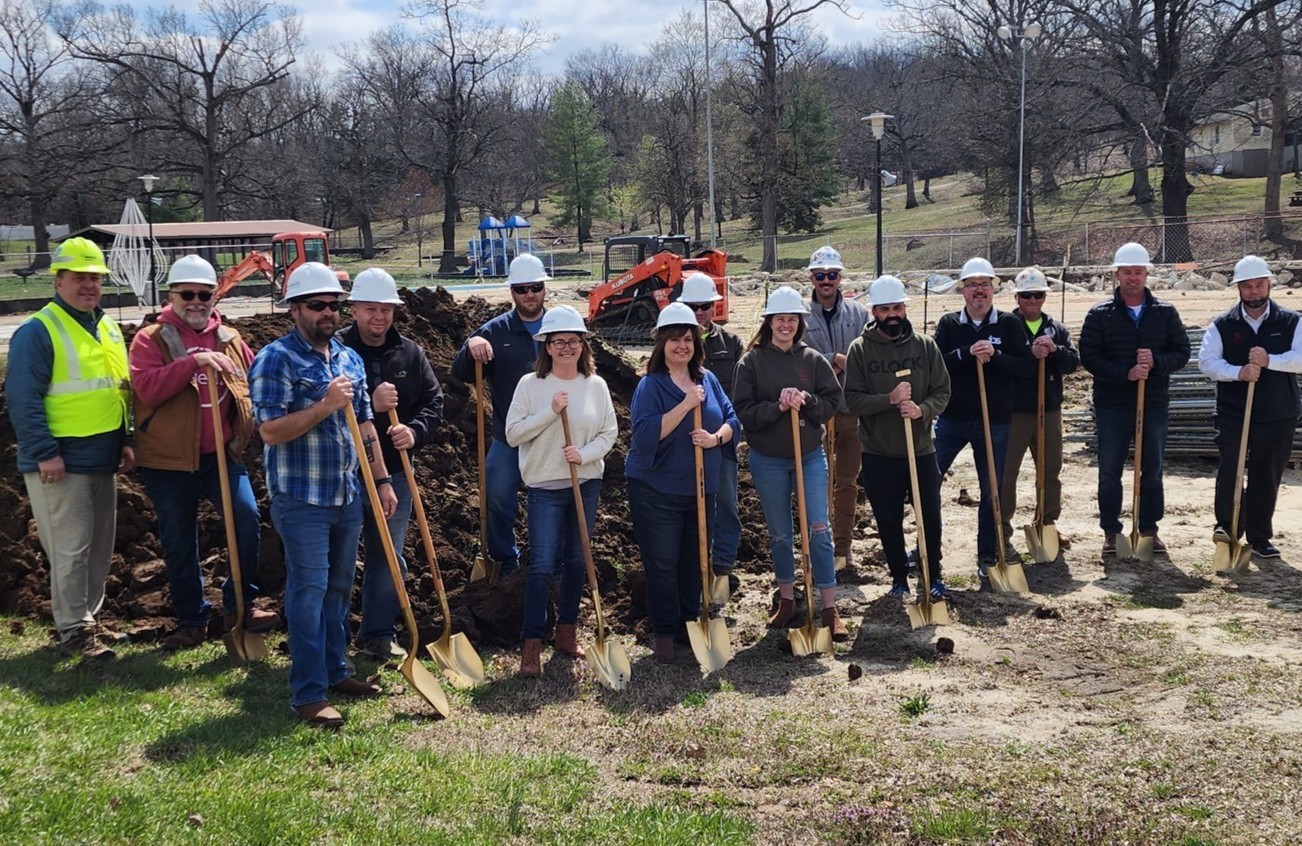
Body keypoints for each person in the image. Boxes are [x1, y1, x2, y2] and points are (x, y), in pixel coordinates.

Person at [249, 262, 398, 729]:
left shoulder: (347, 358)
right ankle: (308, 692)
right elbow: (270, 431)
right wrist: (325, 404)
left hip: (346, 493)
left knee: (337, 589)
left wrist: (381, 479)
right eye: (317, 305)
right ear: (295, 308)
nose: (327, 313)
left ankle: (337, 672)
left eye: (334, 305)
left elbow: (366, 426)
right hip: (301, 498)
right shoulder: (275, 359)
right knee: (308, 591)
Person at [130, 255, 278, 651]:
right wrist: (193, 362)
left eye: (205, 294)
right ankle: (192, 618)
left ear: (215, 296)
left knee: (246, 518)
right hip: (168, 460)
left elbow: (257, 380)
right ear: (172, 295)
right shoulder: (152, 339)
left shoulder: (229, 338)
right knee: (179, 539)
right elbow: (147, 389)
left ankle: (240, 604)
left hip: (221, 455)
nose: (196, 301)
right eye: (188, 294)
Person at [6, 237, 133, 660]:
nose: (89, 286)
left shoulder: (107, 326)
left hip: (103, 456)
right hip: (61, 460)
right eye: (79, 277)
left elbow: (119, 390)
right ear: (58, 280)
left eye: (95, 278)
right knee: (70, 548)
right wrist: (44, 452)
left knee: (98, 546)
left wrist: (126, 440)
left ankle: (88, 619)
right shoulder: (38, 331)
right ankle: (73, 630)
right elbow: (22, 398)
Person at [504, 305, 617, 677]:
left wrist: (582, 454)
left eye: (573, 340)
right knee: (541, 565)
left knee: (575, 560)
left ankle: (566, 633)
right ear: (546, 346)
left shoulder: (596, 386)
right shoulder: (530, 386)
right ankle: (531, 644)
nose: (566, 347)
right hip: (544, 486)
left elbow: (609, 433)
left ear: (583, 344)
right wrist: (550, 412)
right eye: (558, 342)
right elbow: (513, 433)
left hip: (585, 484)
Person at [625, 303, 740, 662]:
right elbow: (644, 435)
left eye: (688, 339)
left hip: (702, 490)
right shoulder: (650, 385)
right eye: (674, 339)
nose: (682, 346)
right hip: (656, 490)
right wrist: (685, 405)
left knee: (695, 562)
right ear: (662, 344)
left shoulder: (708, 379)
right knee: (662, 563)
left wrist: (715, 438)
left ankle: (690, 626)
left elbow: (733, 419)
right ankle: (663, 634)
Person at [733, 286, 848, 641]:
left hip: (809, 456)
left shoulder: (812, 360)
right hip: (768, 459)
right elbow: (744, 414)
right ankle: (787, 600)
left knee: (818, 529)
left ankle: (829, 606)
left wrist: (808, 400)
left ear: (800, 323)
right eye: (780, 319)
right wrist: (778, 407)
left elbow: (832, 402)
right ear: (769, 322)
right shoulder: (750, 363)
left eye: (792, 319)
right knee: (781, 534)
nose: (786, 325)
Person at [340, 268, 444, 660]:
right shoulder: (336, 352)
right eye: (370, 309)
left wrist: (414, 432)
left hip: (396, 474)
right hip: (348, 475)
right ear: (354, 310)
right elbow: (325, 405)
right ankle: (334, 638)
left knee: (388, 554)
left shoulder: (410, 353)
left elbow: (434, 403)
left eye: (386, 309)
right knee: (342, 558)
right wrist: (370, 400)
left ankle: (378, 634)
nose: (379, 317)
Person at [844, 276, 953, 597]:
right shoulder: (860, 351)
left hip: (920, 450)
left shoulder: (925, 346)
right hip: (879, 453)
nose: (892, 314)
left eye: (897, 307)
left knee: (930, 516)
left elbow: (943, 390)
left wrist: (922, 410)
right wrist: (888, 400)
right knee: (888, 519)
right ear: (874, 312)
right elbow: (852, 400)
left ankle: (933, 575)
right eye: (884, 309)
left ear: (905, 308)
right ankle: (898, 579)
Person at [1079, 242, 1190, 555]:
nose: (1133, 277)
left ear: (1146, 274)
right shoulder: (1100, 314)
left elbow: (1182, 352)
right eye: (1127, 272)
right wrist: (1124, 373)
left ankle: (1148, 528)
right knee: (1109, 469)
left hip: (1153, 403)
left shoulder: (1165, 313)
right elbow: (1089, 357)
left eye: (1138, 272)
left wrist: (1156, 362)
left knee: (1152, 469)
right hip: (1112, 404)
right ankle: (1112, 531)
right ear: (1117, 275)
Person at [451, 253, 550, 578]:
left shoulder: (558, 327)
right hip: (509, 437)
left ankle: (549, 562)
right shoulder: (496, 330)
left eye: (535, 287)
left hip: (553, 437)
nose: (530, 294)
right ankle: (506, 561)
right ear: (512, 292)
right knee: (496, 495)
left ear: (544, 288)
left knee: (550, 503)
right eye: (522, 289)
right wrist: (472, 345)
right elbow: (461, 371)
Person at [933, 257, 1033, 577]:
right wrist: (965, 354)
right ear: (962, 290)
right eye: (973, 285)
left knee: (992, 489)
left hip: (995, 420)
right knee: (928, 479)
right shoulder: (949, 324)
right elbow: (936, 365)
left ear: (994, 290)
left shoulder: (1008, 324)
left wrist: (997, 355)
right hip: (952, 419)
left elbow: (1025, 367)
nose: (980, 291)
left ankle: (987, 554)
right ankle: (926, 550)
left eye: (985, 285)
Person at [1198, 255, 1302, 560]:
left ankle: (1259, 536)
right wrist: (1238, 372)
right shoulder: (1222, 325)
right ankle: (1227, 528)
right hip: (1233, 410)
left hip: (1278, 411)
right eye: (1248, 286)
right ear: (1238, 288)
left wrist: (1271, 360)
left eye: (1259, 284)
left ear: (1269, 284)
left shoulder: (1292, 321)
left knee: (1265, 473)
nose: (1254, 291)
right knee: (1231, 466)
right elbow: (1207, 363)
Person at [999, 267, 1080, 551]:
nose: (1032, 300)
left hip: (1049, 410)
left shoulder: (1056, 329)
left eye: (1037, 295)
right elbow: (1001, 361)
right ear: (1018, 297)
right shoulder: (1006, 326)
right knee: (1006, 473)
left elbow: (1073, 363)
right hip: (1015, 412)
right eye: (1026, 295)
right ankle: (1002, 530)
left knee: (1050, 470)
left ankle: (1046, 524)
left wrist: (1055, 350)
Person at [801, 246, 870, 571]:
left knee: (846, 482)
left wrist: (849, 364)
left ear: (840, 277)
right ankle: (820, 549)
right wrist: (832, 362)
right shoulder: (800, 317)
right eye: (820, 275)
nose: (826, 281)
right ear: (812, 279)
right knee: (818, 484)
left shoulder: (859, 315)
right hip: (818, 415)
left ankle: (843, 550)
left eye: (831, 275)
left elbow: (870, 360)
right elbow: (799, 361)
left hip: (852, 411)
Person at [677, 272, 744, 586]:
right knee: (690, 503)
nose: (700, 311)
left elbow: (741, 394)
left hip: (722, 440)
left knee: (726, 502)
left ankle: (722, 567)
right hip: (684, 442)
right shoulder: (675, 344)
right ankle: (694, 564)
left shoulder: (731, 343)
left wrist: (730, 432)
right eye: (694, 306)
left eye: (705, 306)